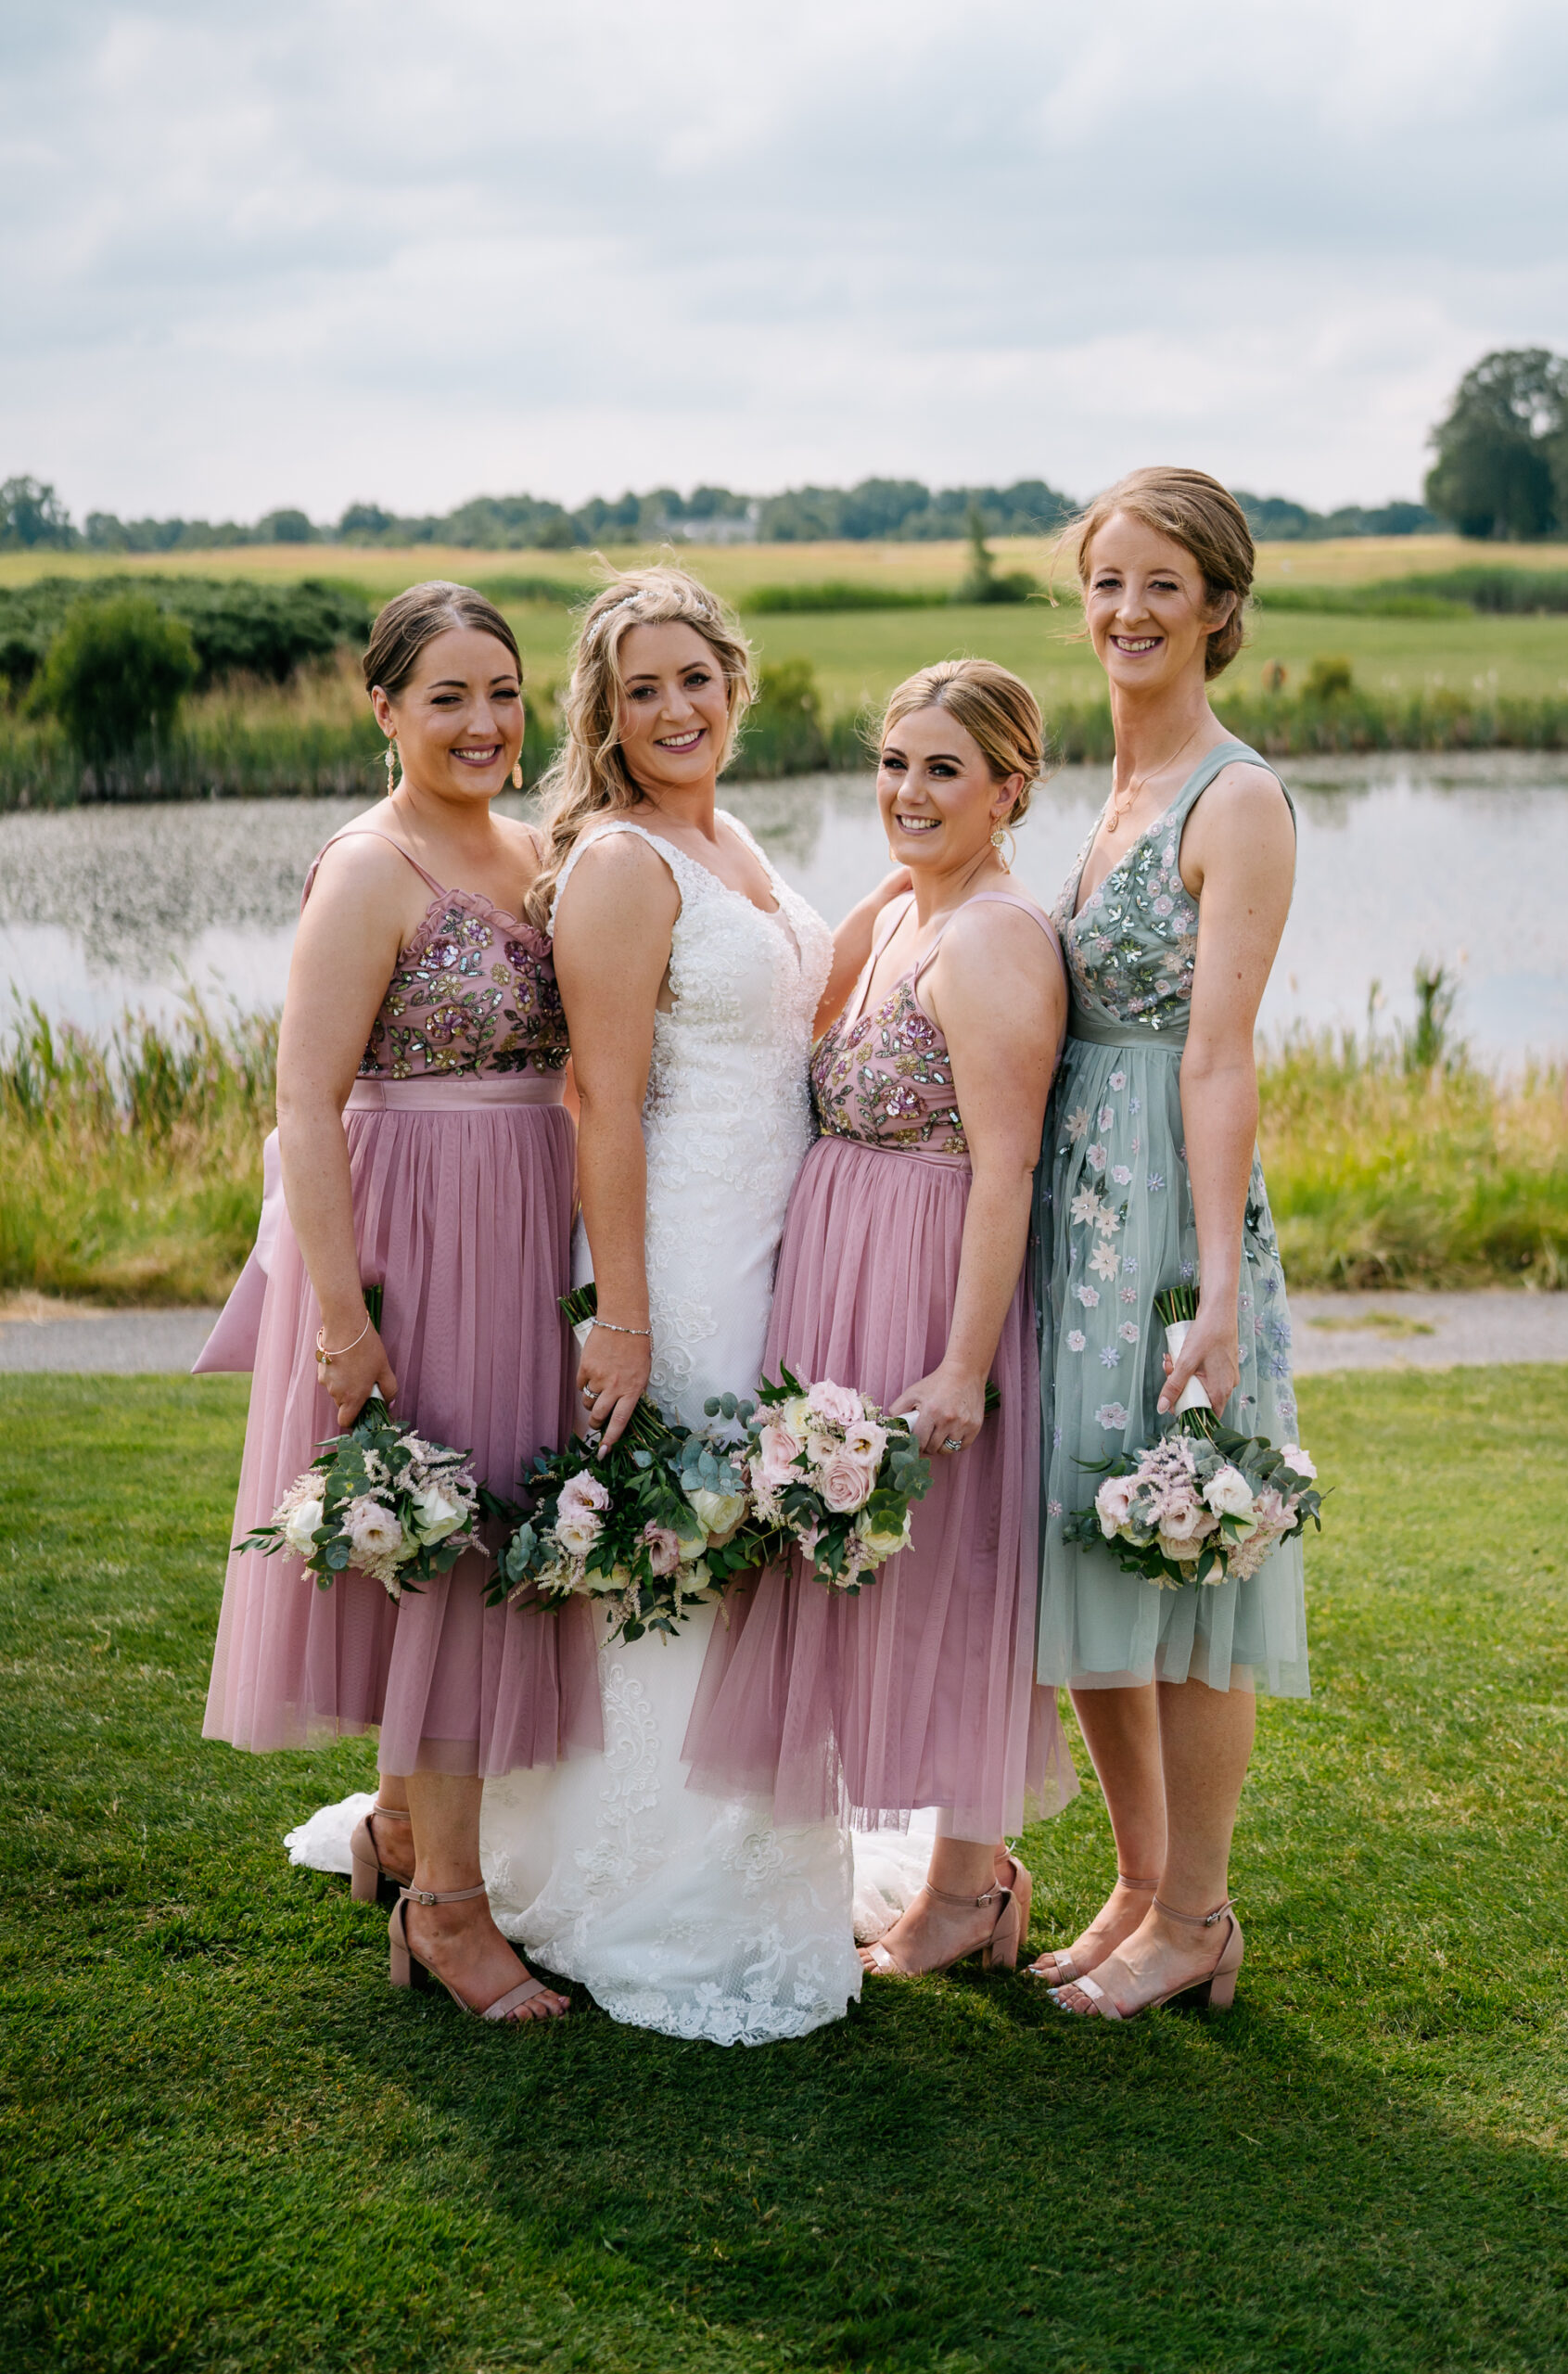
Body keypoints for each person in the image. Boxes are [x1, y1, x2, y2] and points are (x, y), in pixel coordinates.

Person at [462, 564, 904, 2042]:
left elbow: (800, 1000)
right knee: (684, 1550)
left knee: (758, 1547)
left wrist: (930, 892)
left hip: (782, 1244)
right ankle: (632, 1882)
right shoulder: (621, 865)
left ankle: (762, 1861)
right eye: (642, 688)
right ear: (607, 710)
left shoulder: (735, 842)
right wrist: (627, 1316)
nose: (675, 708)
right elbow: (599, 1093)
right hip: (683, 1253)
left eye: (695, 678)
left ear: (736, 682)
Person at [201, 581, 600, 2026]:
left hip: (522, 1216)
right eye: (449, 697)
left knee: (489, 1525)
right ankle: (448, 1914)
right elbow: (306, 1102)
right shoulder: (367, 869)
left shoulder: (537, 849)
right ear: (384, 709)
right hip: (412, 1226)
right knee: (447, 1549)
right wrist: (339, 1313)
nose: (486, 723)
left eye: (502, 692)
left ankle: (400, 1829)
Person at [684, 660, 1076, 1977]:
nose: (909, 792)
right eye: (896, 762)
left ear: (1008, 789)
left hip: (928, 1277)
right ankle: (927, 1875)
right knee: (859, 1560)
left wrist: (964, 1365)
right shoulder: (897, 909)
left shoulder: (998, 940)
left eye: (944, 770)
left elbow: (1007, 1166)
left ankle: (971, 1888)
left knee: (950, 1569)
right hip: (842, 1264)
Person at [1027, 468, 1307, 2022]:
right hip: (1075, 1218)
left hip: (1169, 1226)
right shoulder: (1110, 799)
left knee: (1188, 1559)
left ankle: (1198, 1911)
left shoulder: (1237, 798)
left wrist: (1210, 1290)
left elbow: (1217, 1057)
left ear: (1218, 607)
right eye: (1108, 582)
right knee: (1093, 1543)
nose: (1128, 612)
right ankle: (1137, 1884)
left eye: (1161, 584)